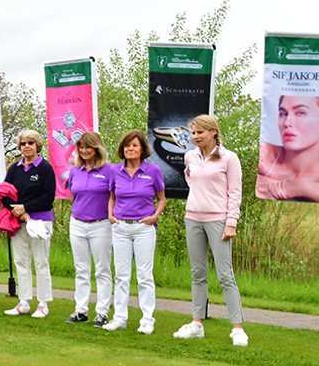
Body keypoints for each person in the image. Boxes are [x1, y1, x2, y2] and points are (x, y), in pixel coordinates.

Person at [173, 115, 248, 346]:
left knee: (225, 275)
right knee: (198, 273)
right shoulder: (190, 157)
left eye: (200, 132)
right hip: (193, 218)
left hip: (219, 221)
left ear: (213, 132)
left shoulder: (229, 158)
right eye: (193, 133)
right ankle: (197, 324)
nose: (195, 137)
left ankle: (237, 329)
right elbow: (192, 181)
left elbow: (234, 192)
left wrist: (231, 222)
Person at [104, 131, 166, 334]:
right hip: (120, 227)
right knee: (121, 275)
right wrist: (111, 215)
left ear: (142, 149)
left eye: (134, 146)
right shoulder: (115, 170)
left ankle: (147, 319)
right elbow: (112, 196)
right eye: (127, 146)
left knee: (144, 275)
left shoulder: (153, 170)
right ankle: (119, 317)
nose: (130, 149)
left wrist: (155, 216)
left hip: (144, 228)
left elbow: (162, 198)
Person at [1, 130, 56, 318]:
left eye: (30, 143)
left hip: (40, 221)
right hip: (18, 221)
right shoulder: (15, 168)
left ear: (37, 146)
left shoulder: (45, 168)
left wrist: (25, 208)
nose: (27, 146)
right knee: (21, 261)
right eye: (23, 143)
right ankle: (23, 301)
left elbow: (47, 198)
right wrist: (17, 209)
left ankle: (43, 304)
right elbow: (5, 192)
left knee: (41, 262)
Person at [65, 131, 114, 326]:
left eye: (88, 147)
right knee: (81, 269)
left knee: (102, 269)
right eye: (81, 147)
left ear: (97, 148)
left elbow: (114, 196)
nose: (84, 151)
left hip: (100, 224)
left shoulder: (109, 170)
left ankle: (102, 313)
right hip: (77, 223)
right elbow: (73, 195)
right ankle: (81, 310)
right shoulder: (76, 170)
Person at [256, 95, 319, 201]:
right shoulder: (266, 158)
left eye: (300, 113)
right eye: (282, 114)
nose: (287, 123)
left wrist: (303, 187)